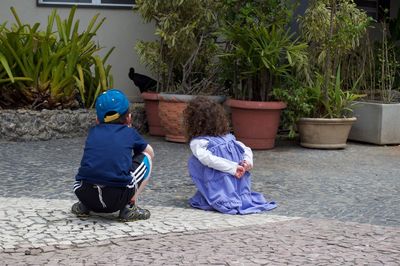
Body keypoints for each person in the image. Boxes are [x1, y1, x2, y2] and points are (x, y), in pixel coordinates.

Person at [183, 96, 277, 214]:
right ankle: (237, 195)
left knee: (195, 161)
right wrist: (247, 162)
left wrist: (233, 168)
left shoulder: (199, 142)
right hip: (238, 185)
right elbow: (246, 149)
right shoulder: (229, 139)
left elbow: (208, 160)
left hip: (221, 182)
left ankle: (217, 195)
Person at [71, 89, 154, 221]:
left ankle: (84, 207)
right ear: (129, 117)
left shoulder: (93, 132)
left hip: (85, 194)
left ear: (97, 119)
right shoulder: (129, 133)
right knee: (147, 158)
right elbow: (149, 152)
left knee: (94, 164)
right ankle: (129, 207)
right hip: (117, 198)